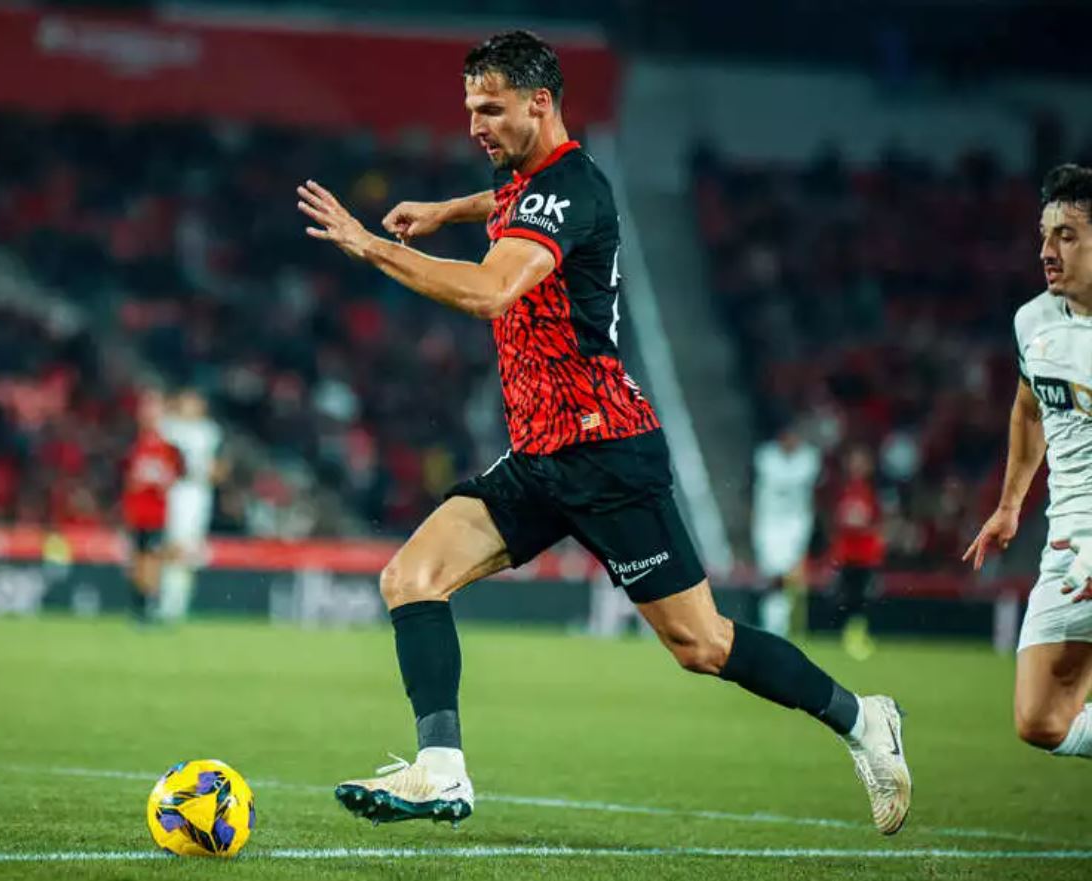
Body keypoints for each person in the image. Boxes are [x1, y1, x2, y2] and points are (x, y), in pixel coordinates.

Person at [297, 30, 911, 834]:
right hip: (539, 455)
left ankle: (863, 718)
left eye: (490, 109)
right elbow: (511, 207)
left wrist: (369, 245)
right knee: (411, 578)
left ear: (540, 102)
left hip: (606, 451)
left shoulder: (572, 186)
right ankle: (441, 769)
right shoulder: (531, 183)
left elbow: (489, 292)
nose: (474, 126)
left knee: (701, 643)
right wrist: (450, 208)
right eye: (469, 109)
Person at [964, 163, 1092, 760]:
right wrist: (1010, 505)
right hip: (1067, 540)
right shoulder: (1032, 321)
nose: (1046, 250)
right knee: (1041, 720)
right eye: (1044, 235)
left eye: (1066, 234)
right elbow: (1029, 409)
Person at [158, 389, 224, 623]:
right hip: (171, 490)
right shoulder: (167, 427)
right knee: (166, 546)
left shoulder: (209, 432)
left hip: (196, 494)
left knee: (187, 549)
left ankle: (174, 604)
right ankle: (161, 600)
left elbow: (219, 469)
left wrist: (209, 472)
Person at [751, 424, 822, 637]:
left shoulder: (809, 459)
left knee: (791, 577)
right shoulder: (766, 458)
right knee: (773, 576)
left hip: (796, 523)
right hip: (770, 523)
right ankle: (773, 623)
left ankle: (787, 625)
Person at [120, 391, 184, 625]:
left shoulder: (167, 448)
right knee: (138, 560)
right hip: (136, 511)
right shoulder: (133, 445)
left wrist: (158, 480)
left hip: (156, 513)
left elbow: (173, 478)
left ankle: (150, 604)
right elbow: (126, 479)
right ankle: (139, 605)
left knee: (153, 559)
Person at [829, 446, 884, 660]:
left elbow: (876, 521)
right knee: (850, 596)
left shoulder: (871, 490)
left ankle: (857, 635)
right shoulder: (846, 490)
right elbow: (843, 519)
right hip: (849, 554)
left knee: (863, 597)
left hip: (866, 554)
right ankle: (850, 636)